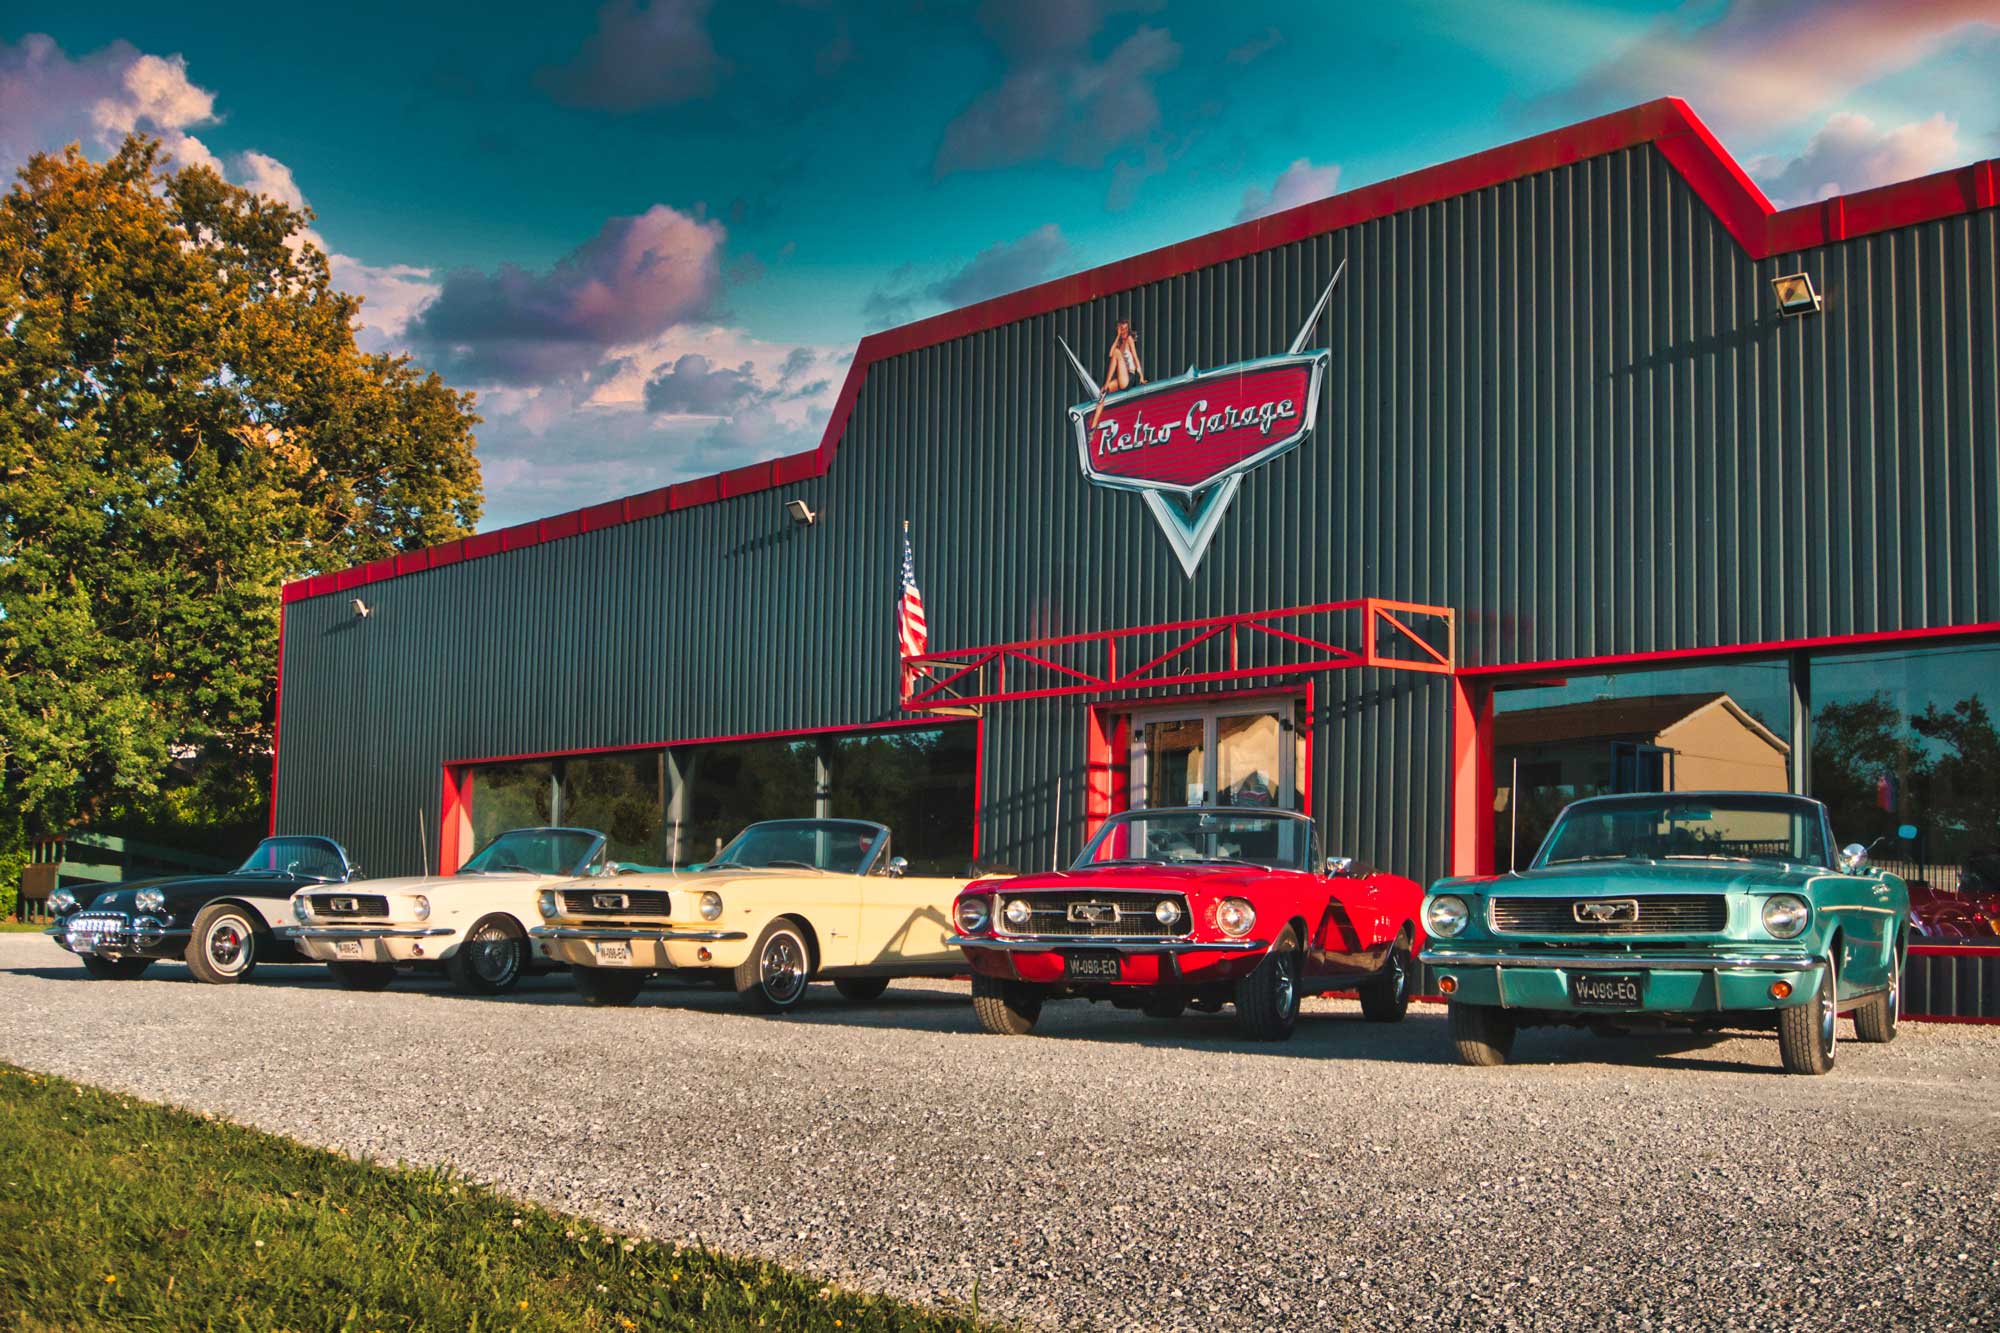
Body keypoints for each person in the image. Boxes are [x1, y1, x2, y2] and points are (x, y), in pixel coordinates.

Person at [1090, 319, 1146, 428]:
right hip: (1122, 378)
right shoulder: (1120, 343)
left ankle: (1106, 384)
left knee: (1116, 353)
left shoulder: (1129, 339)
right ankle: (1093, 426)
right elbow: (1111, 354)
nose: (1124, 331)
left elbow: (1135, 358)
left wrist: (1141, 376)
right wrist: (1117, 336)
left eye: (1126, 329)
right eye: (1122, 329)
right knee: (1103, 393)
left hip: (1130, 377)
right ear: (1118, 330)